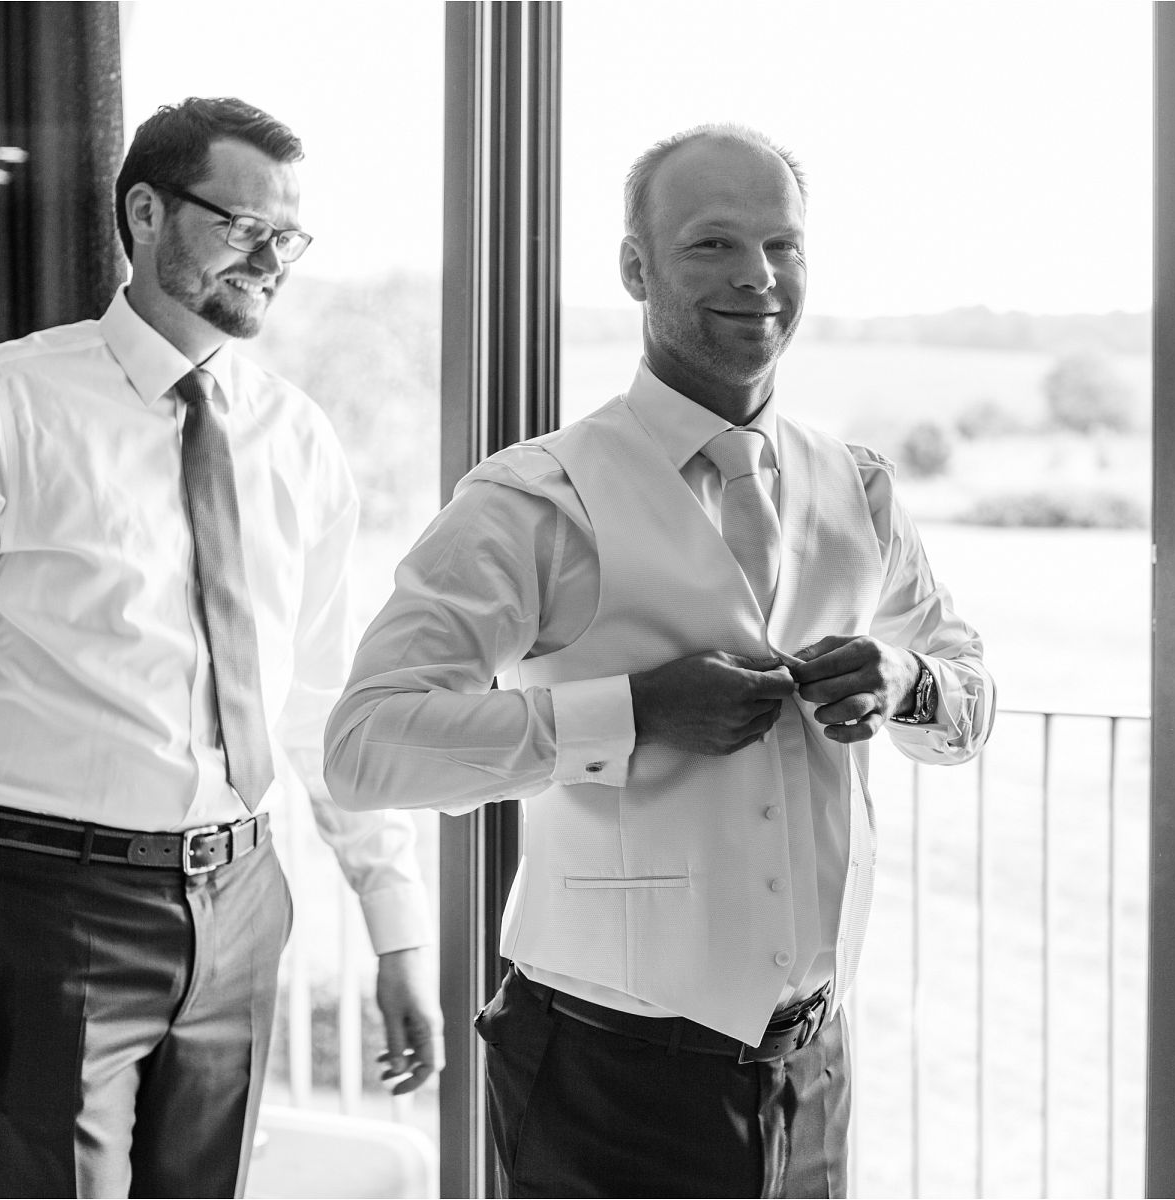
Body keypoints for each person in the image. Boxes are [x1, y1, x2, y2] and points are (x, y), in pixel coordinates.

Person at [323, 124, 995, 1198]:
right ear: (634, 267)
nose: (757, 277)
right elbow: (366, 750)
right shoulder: (532, 499)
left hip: (814, 1066)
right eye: (712, 245)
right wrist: (630, 712)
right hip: (606, 1075)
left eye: (783, 244)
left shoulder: (856, 485)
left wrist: (908, 682)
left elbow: (966, 688)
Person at [0, 97, 441, 1198]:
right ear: (148, 211)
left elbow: (317, 703)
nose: (269, 259)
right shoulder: (2, 400)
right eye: (240, 225)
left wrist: (393, 922)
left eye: (286, 236)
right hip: (49, 908)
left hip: (247, 900)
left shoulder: (299, 439)